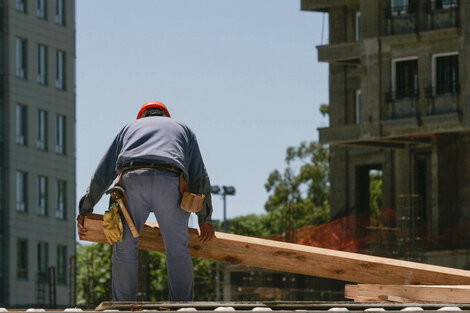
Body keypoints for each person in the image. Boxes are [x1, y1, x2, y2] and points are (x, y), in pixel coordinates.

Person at [77, 101, 215, 301]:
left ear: (141, 117)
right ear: (166, 116)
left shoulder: (128, 129)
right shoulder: (183, 129)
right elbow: (199, 176)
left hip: (133, 179)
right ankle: (182, 306)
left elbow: (103, 172)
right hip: (170, 181)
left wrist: (85, 209)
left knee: (124, 248)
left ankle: (124, 306)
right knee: (177, 250)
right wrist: (205, 218)